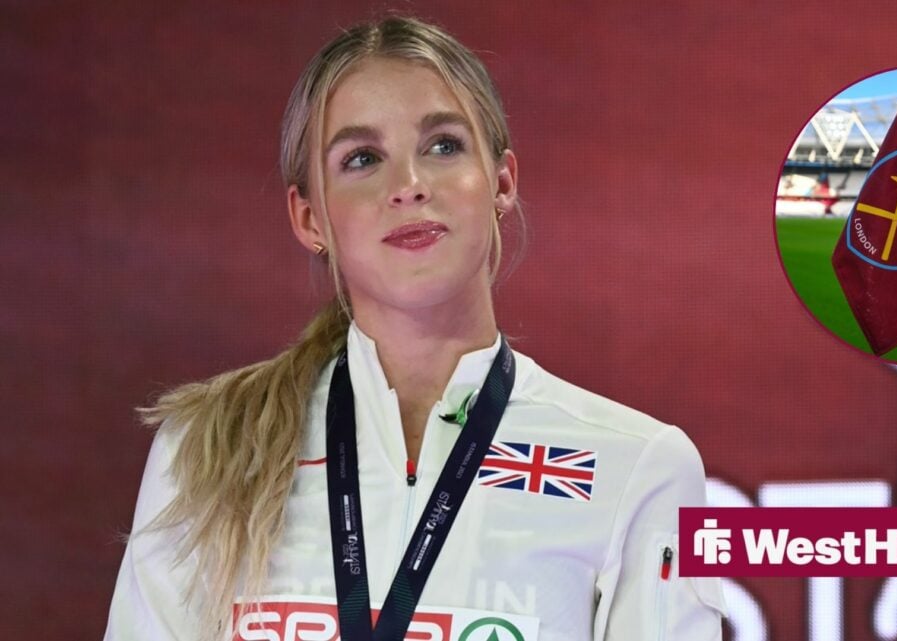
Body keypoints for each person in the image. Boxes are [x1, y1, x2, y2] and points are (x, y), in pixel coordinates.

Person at [104, 16, 725, 641]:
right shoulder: (205, 449)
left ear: (502, 182)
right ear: (309, 217)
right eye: (363, 159)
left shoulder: (639, 466)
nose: (408, 186)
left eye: (443, 146)